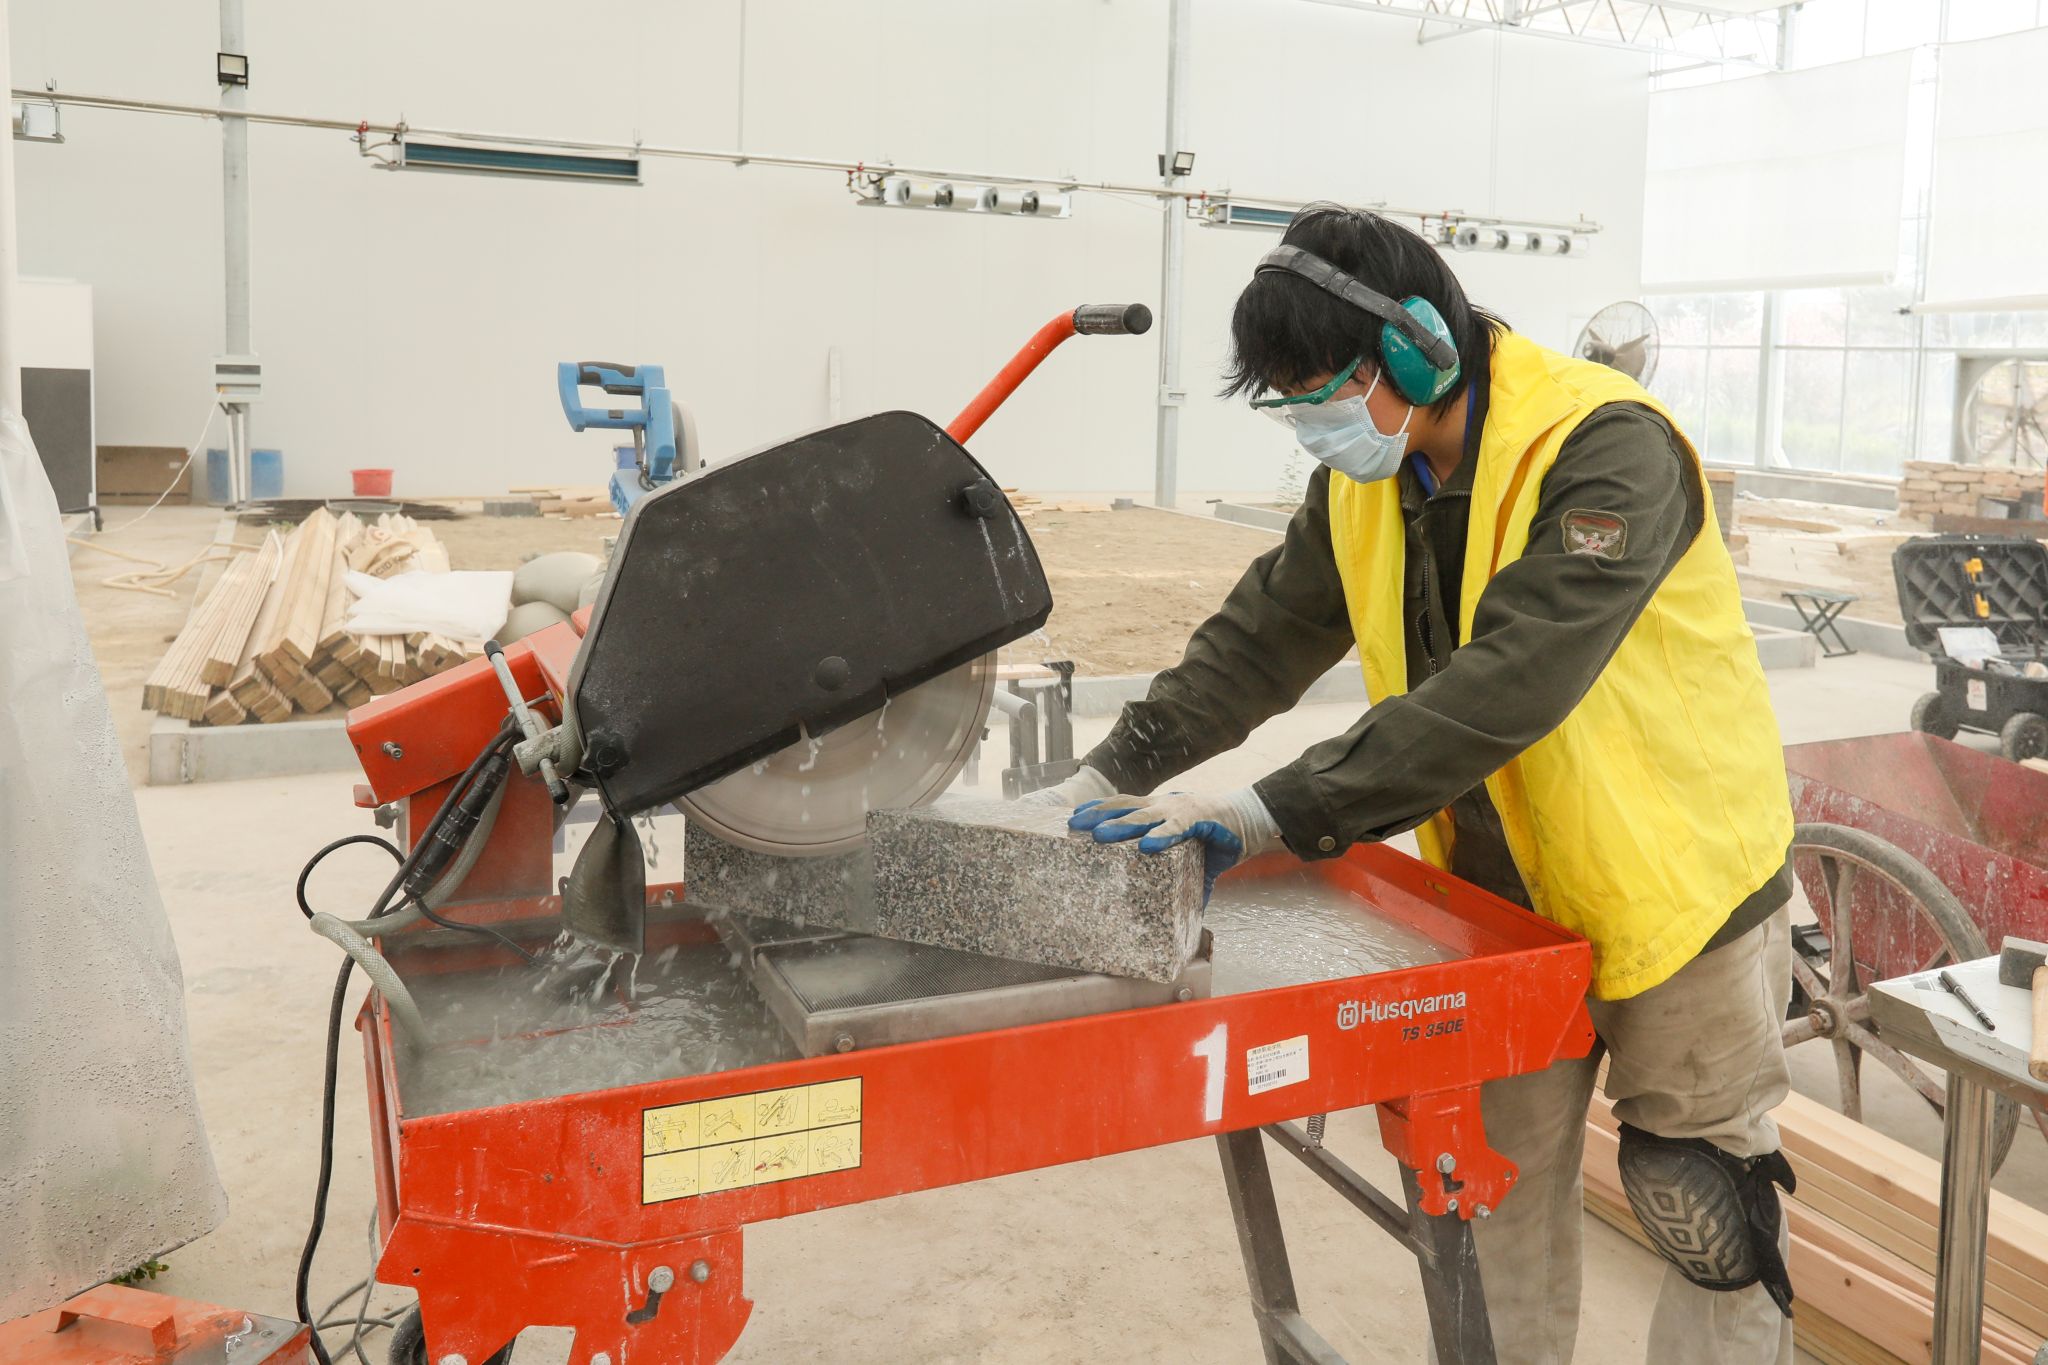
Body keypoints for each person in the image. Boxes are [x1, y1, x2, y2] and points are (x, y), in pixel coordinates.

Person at [1030, 204, 1798, 1365]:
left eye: (1321, 394)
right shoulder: (1364, 480)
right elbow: (1259, 641)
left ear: (1417, 349)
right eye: (1289, 405)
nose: (1313, 426)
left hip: (1675, 890)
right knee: (1486, 1208)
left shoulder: (1604, 447)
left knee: (1701, 1205)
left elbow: (1512, 680)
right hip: (1495, 901)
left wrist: (1267, 812)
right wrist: (1100, 770)